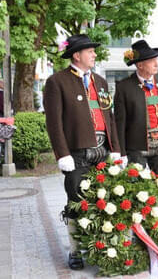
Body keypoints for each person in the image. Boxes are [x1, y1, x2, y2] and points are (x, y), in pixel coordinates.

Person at [43, 34, 121, 270]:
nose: (95, 54)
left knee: (106, 202)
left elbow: (110, 118)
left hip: (103, 153)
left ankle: (104, 245)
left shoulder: (100, 81)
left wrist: (116, 149)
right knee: (76, 203)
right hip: (76, 155)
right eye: (90, 51)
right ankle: (76, 251)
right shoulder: (57, 82)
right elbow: (53, 122)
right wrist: (62, 154)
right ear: (77, 55)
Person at [114, 39, 158, 244]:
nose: (156, 64)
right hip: (137, 147)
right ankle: (140, 233)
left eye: (156, 60)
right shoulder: (124, 87)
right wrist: (121, 153)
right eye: (152, 61)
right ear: (140, 64)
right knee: (139, 190)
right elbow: (120, 122)